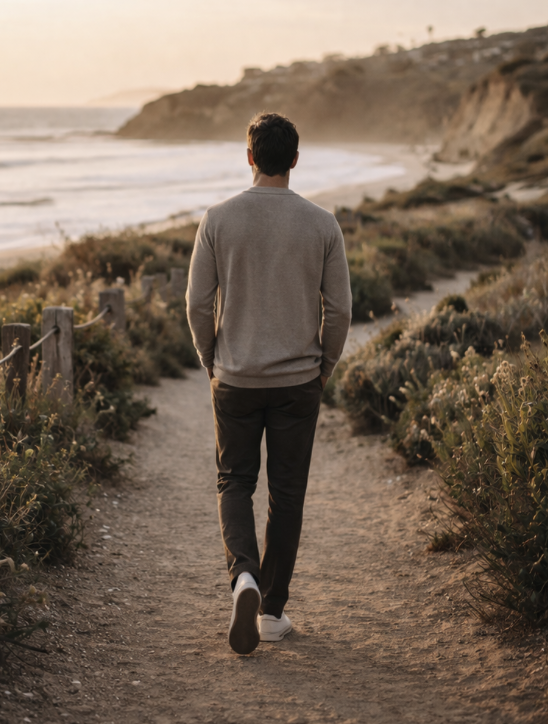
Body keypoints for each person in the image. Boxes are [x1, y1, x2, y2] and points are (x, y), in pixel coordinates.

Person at [186, 112, 352, 655]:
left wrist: (211, 359)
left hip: (234, 378)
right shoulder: (322, 224)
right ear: (295, 160)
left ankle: (244, 579)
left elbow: (196, 303)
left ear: (250, 157)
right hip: (298, 381)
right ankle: (272, 612)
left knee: (234, 482)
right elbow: (341, 311)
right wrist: (324, 364)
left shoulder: (217, 219)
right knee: (287, 494)